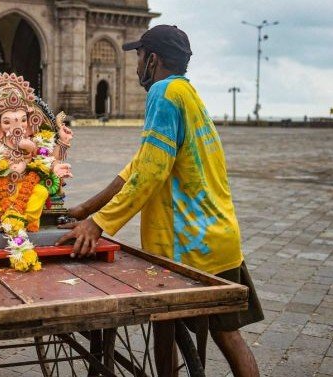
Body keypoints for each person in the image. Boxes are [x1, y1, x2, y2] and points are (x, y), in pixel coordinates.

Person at [57, 25, 263, 377]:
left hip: (187, 247)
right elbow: (137, 166)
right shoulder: (187, 94)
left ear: (153, 59)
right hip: (219, 238)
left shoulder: (163, 93)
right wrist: (85, 210)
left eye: (139, 56)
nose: (136, 65)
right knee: (229, 338)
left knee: (166, 333)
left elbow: (149, 174)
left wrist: (99, 224)